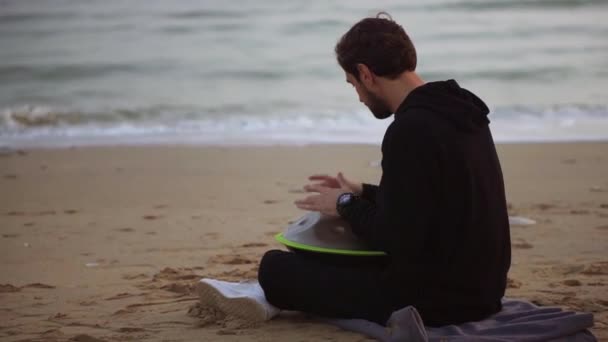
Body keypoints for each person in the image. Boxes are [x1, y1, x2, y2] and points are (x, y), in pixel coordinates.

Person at [196, 12, 511, 327]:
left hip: (438, 301)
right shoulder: (461, 111)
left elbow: (396, 239)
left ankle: (267, 297)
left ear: (365, 73)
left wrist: (343, 205)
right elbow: (433, 203)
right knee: (315, 258)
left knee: (274, 268)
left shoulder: (410, 129)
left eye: (353, 84)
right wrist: (361, 191)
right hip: (483, 291)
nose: (359, 96)